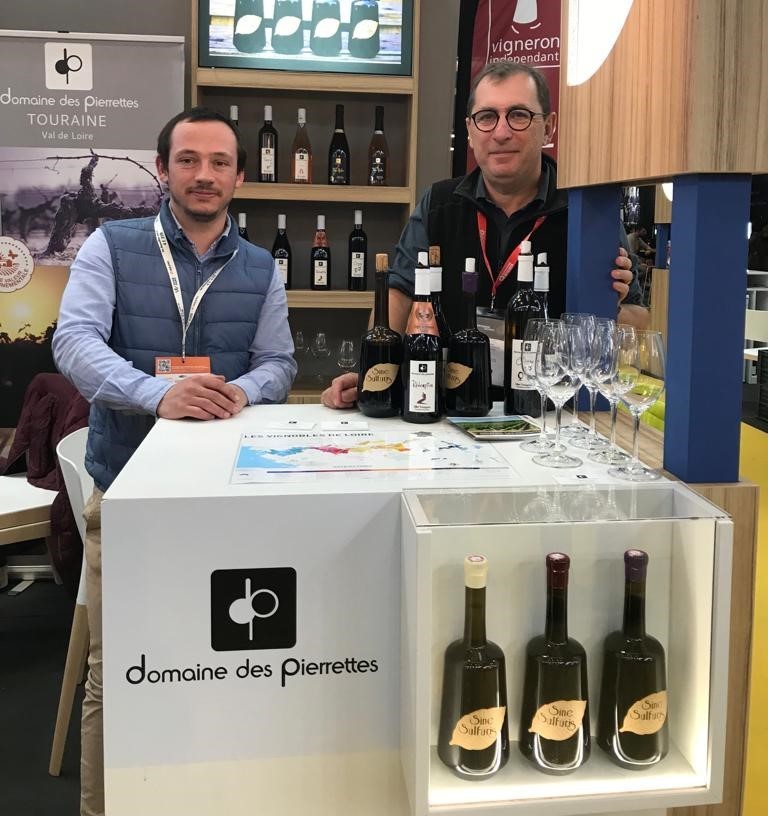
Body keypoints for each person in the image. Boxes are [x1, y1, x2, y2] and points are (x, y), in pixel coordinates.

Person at [52, 106, 296, 816]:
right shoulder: (111, 245)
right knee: (121, 672)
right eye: (188, 159)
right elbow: (74, 342)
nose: (204, 174)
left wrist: (241, 391)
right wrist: (158, 394)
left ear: (240, 176)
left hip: (228, 499)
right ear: (162, 169)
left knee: (220, 666)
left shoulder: (260, 267)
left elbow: (278, 362)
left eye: (220, 162)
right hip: (129, 494)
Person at [322, 60, 647, 409]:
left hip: (553, 415)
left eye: (519, 115)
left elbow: (638, 321)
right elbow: (399, 294)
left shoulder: (586, 211)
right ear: (470, 129)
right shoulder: (438, 204)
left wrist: (610, 305)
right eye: (487, 116)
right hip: (451, 408)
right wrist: (373, 373)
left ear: (549, 127)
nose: (501, 132)